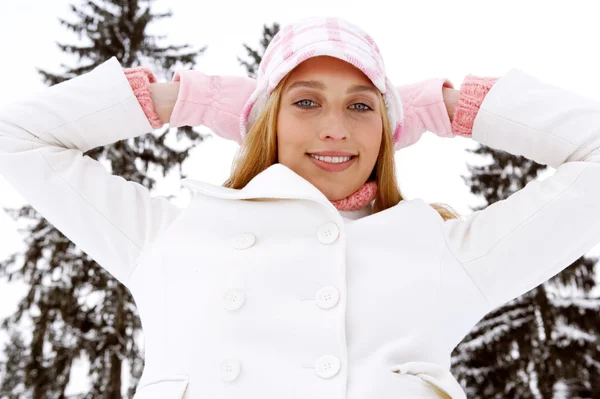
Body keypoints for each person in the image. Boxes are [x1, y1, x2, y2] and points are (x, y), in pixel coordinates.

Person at [0, 15, 598, 399]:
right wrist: (189, 98)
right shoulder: (172, 238)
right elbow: (15, 136)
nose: (335, 129)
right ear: (264, 122)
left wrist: (443, 107)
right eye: (306, 102)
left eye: (362, 107)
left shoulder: (442, 251)